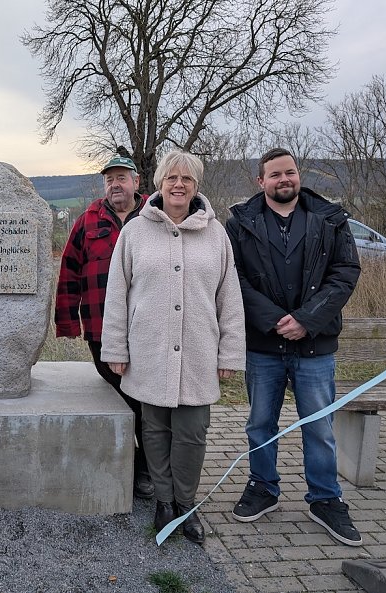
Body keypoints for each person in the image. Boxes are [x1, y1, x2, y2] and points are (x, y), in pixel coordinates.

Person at [101, 150, 245, 544]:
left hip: (198, 351)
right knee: (155, 431)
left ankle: (186, 503)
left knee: (192, 433)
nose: (178, 185)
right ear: (159, 184)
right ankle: (164, 502)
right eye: (171, 178)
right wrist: (115, 349)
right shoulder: (134, 232)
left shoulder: (216, 235)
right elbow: (117, 295)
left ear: (197, 186)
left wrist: (230, 353)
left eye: (187, 179)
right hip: (148, 350)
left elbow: (229, 299)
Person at [225, 148, 363, 546]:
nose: (284, 180)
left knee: (319, 427)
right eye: (275, 175)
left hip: (315, 344)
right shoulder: (240, 224)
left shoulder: (330, 220)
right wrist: (273, 320)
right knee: (259, 424)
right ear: (261, 181)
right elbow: (234, 278)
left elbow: (345, 272)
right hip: (263, 345)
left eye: (290, 172)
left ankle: (325, 500)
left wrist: (307, 319)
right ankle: (263, 488)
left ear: (298, 175)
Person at [54, 155, 155, 499]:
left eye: (122, 178)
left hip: (147, 329)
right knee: (126, 395)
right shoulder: (87, 222)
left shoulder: (154, 218)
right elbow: (69, 273)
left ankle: (143, 469)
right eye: (109, 179)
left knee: (145, 399)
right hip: (100, 329)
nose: (115, 184)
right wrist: (67, 323)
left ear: (137, 182)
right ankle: (134, 461)